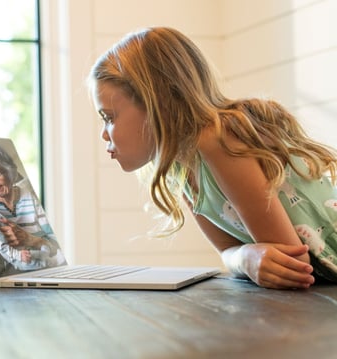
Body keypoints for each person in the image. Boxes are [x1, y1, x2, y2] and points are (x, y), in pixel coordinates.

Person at [88, 26, 337, 290]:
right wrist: (245, 257)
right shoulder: (181, 166)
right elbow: (229, 252)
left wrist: (248, 257)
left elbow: (291, 265)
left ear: (156, 104)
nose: (104, 134)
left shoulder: (218, 139)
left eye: (109, 117)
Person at [0, 139, 65, 266]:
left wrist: (31, 240)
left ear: (9, 171)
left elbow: (62, 245)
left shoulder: (31, 195)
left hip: (50, 263)